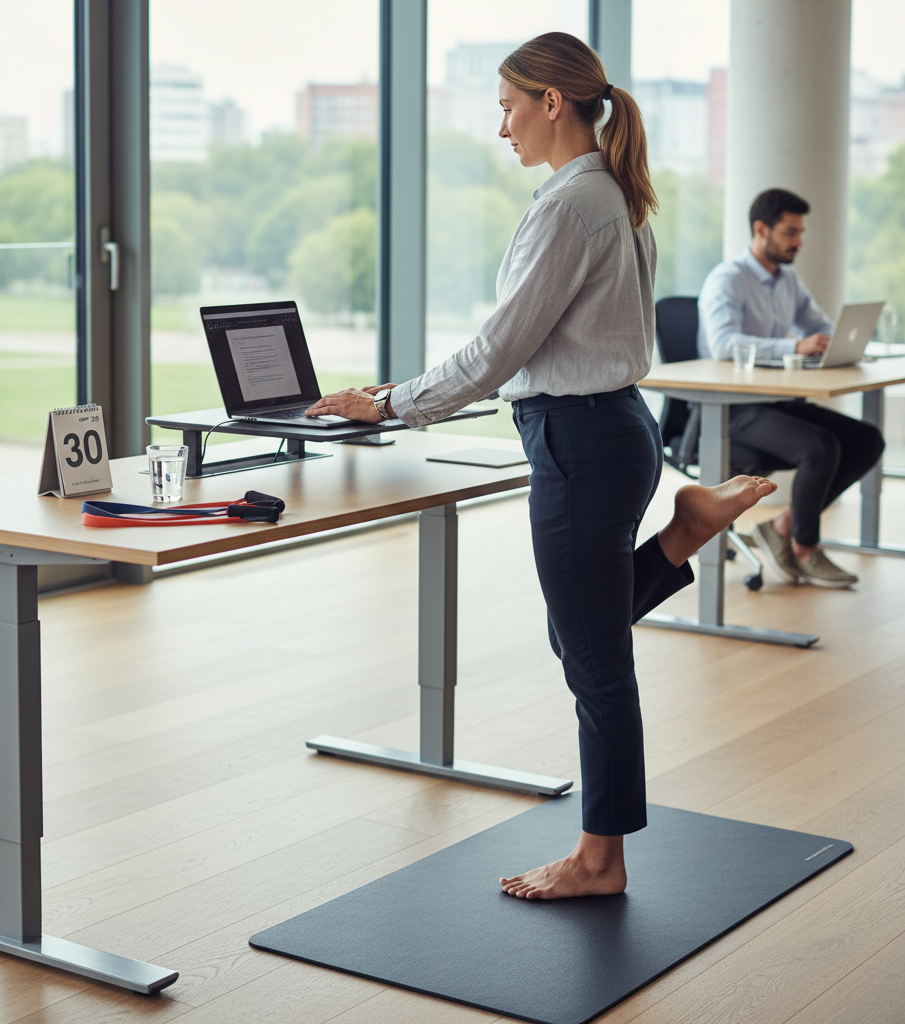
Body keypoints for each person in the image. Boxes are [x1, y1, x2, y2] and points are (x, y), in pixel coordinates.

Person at [307, 32, 776, 899]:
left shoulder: (571, 204)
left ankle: (600, 860)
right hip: (612, 432)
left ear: (551, 103)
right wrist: (404, 391)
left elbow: (499, 349)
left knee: (595, 662)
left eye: (507, 106)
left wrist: (391, 404)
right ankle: (683, 536)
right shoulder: (615, 195)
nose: (502, 127)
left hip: (579, 442)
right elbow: (542, 346)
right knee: (583, 634)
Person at [697, 188, 885, 588]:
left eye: (800, 232)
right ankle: (804, 547)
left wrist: (832, 343)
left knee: (867, 439)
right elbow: (723, 343)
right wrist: (792, 347)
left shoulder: (787, 280)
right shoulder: (727, 280)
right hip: (732, 409)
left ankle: (783, 526)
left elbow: (817, 325)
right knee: (820, 447)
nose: (798, 241)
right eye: (789, 232)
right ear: (761, 229)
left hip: (775, 401)